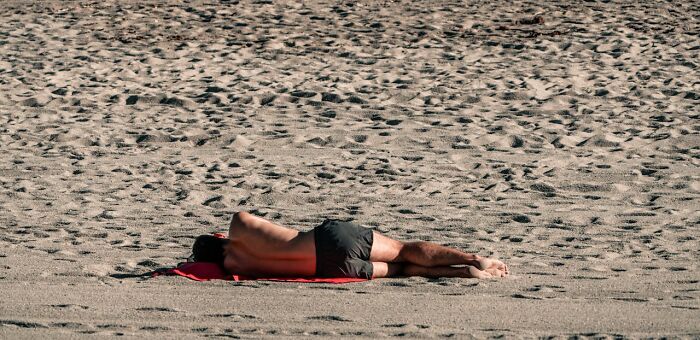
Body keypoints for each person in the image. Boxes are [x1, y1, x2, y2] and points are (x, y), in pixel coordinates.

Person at [191, 211, 509, 280]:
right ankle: (473, 258)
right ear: (219, 238)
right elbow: (252, 223)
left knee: (400, 270)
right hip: (325, 240)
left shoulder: (234, 268)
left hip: (330, 269)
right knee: (402, 248)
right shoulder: (237, 224)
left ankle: (464, 273)